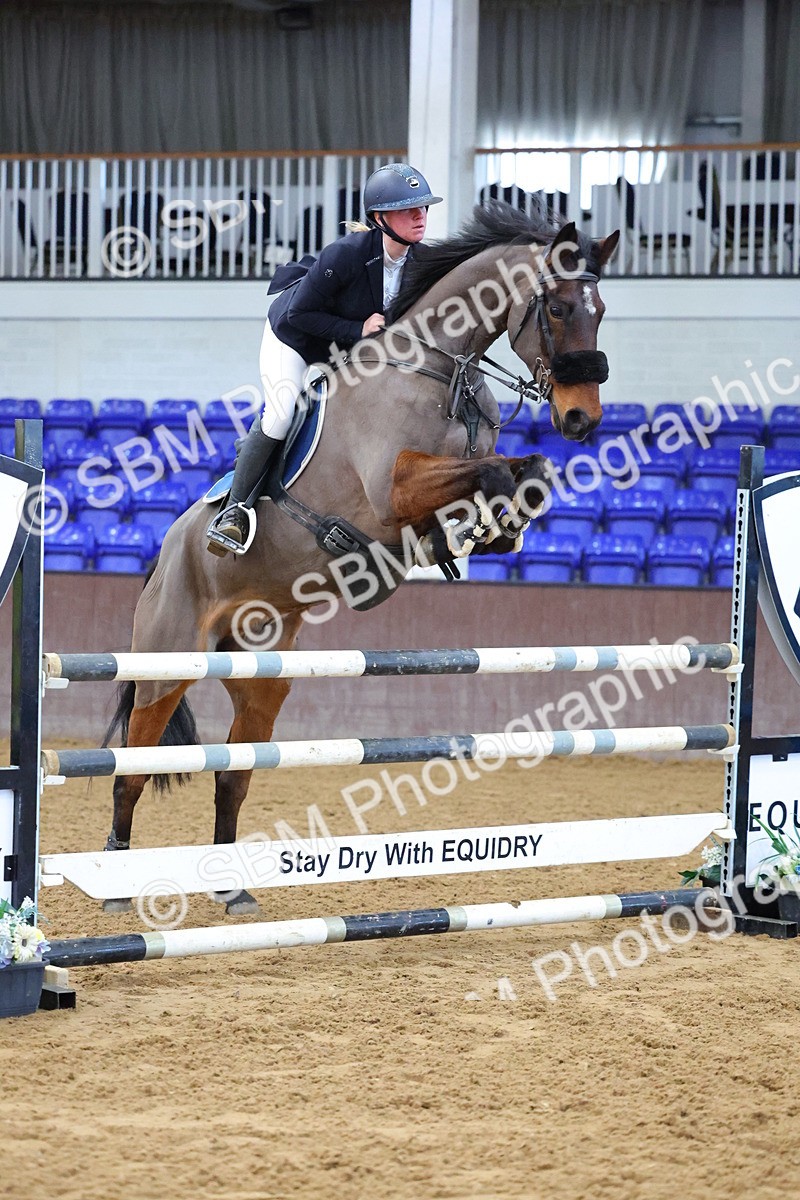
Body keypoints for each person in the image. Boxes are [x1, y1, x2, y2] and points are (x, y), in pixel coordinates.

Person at [207, 162, 443, 555]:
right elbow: (300, 314)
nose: (420, 216)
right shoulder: (347, 254)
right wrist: (358, 330)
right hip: (295, 338)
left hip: (350, 349)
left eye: (423, 208)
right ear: (380, 218)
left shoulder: (421, 262)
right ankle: (235, 510)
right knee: (282, 411)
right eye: (408, 209)